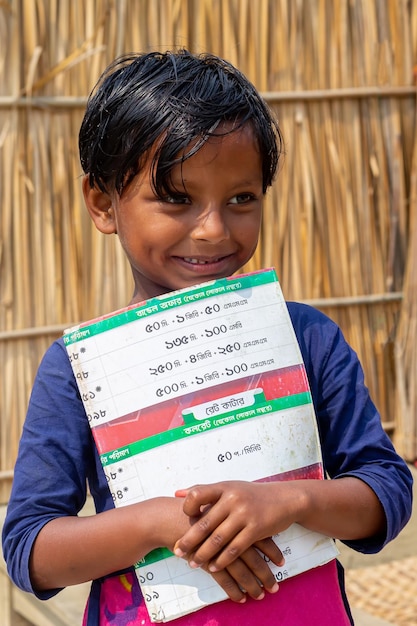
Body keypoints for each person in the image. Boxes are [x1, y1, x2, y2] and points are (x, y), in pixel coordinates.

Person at [2, 50, 413, 626]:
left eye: (242, 199)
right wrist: (156, 523)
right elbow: (28, 550)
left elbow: (386, 492)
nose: (214, 228)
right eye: (176, 198)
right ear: (103, 204)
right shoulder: (80, 370)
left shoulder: (307, 339)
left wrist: (291, 500)